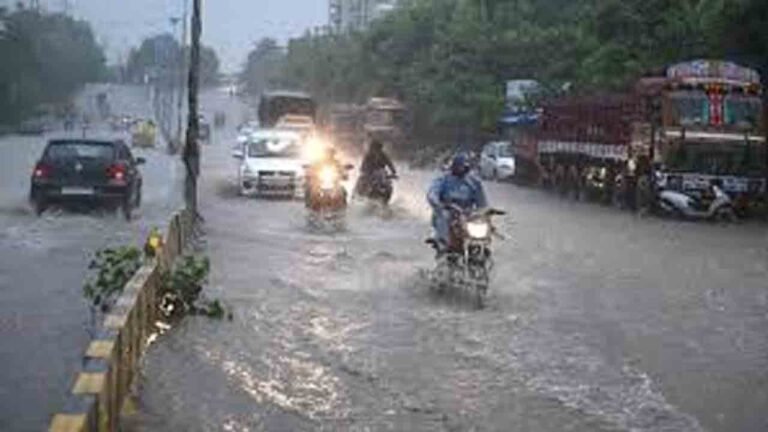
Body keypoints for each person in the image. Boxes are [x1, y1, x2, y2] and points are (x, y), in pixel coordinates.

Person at [427, 152, 488, 252]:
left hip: (467, 215)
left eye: (465, 167)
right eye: (460, 167)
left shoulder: (474, 182)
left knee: (482, 224)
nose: (462, 169)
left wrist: (485, 213)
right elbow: (432, 194)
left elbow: (482, 203)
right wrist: (439, 204)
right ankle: (443, 244)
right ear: (454, 166)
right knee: (444, 216)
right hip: (448, 212)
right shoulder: (443, 179)